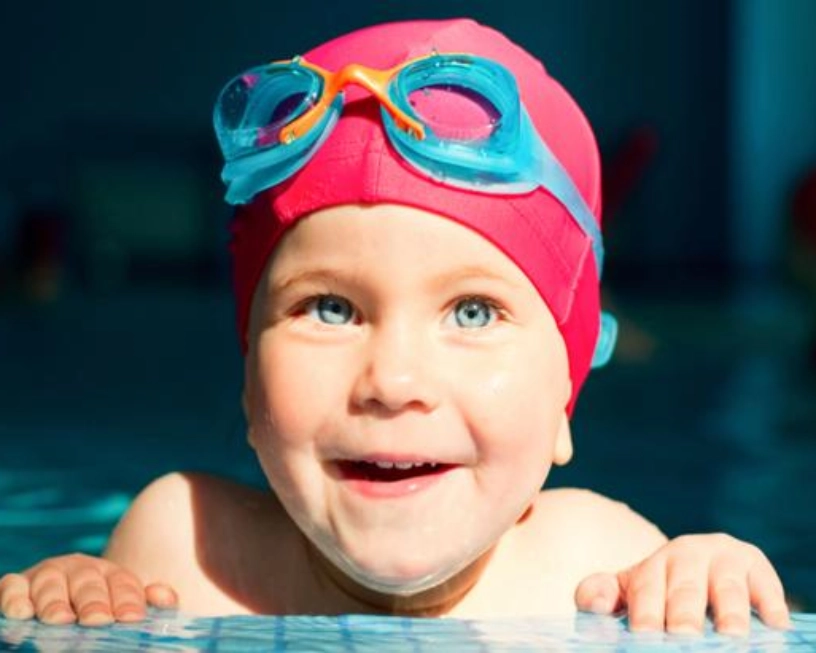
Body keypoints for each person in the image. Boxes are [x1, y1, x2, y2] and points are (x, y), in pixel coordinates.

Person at [0, 18, 791, 634]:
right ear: (248, 374)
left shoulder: (606, 566)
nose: (392, 382)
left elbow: (703, 600)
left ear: (566, 398)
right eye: (330, 307)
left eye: (473, 311)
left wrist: (709, 579)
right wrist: (72, 598)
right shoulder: (182, 549)